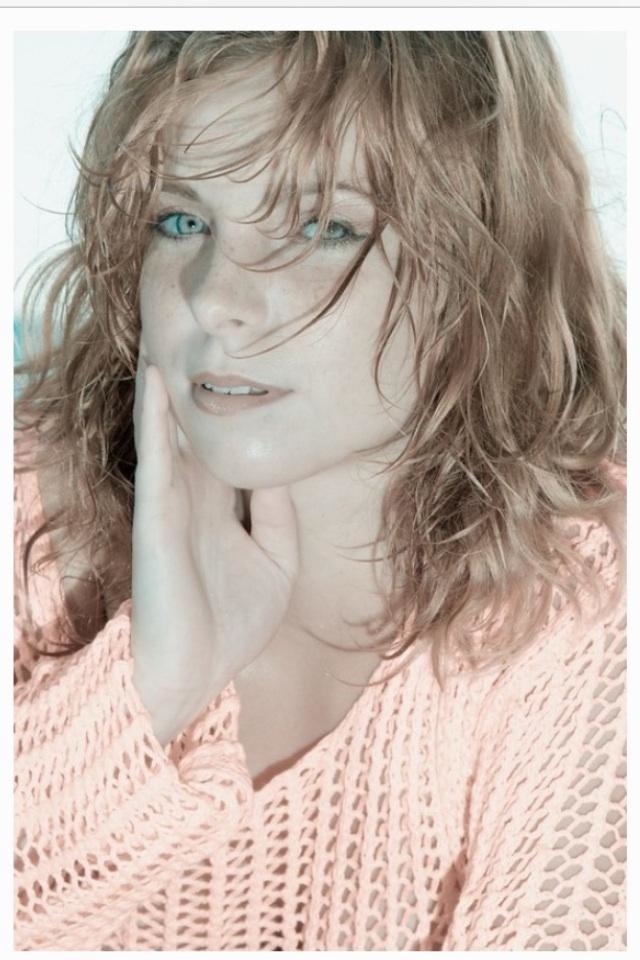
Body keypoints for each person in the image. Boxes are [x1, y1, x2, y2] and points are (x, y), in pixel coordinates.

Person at [14, 31, 626, 951]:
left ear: (487, 267)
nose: (215, 296)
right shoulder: (27, 513)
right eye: (182, 221)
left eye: (322, 228)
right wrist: (149, 692)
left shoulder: (586, 601)